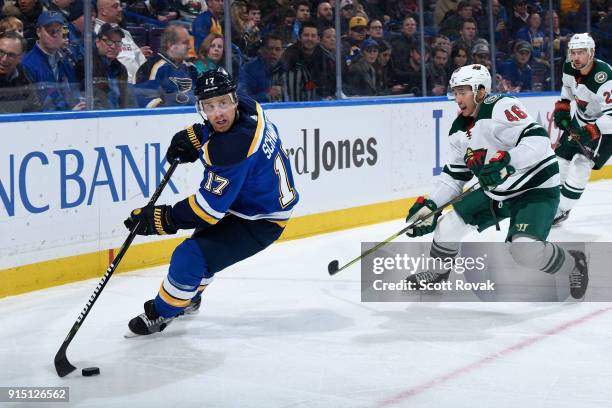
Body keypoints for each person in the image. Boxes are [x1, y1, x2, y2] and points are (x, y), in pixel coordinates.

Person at [125, 68, 299, 336]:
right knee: (202, 254)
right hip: (246, 201)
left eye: (223, 104)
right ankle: (189, 296)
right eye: (209, 106)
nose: (217, 113)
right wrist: (199, 135)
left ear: (234, 100)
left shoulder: (233, 148)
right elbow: (221, 126)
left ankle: (161, 313)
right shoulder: (250, 107)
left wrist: (162, 218)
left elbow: (207, 211)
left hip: (260, 220)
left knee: (190, 256)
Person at [404, 64, 589, 300]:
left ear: (481, 92)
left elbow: (538, 140)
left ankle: (573, 263)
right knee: (447, 226)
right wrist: (430, 205)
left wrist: (508, 162)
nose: (458, 99)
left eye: (463, 92)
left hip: (536, 188)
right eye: (456, 92)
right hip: (497, 192)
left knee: (524, 252)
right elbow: (454, 176)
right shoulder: (458, 130)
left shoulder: (501, 107)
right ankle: (438, 274)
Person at [552, 33, 612, 225]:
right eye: (573, 52)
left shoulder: (605, 77)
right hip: (581, 119)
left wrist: (593, 131)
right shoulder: (569, 66)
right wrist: (562, 106)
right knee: (560, 159)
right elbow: (567, 89)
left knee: (581, 163)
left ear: (591, 52)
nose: (576, 57)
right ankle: (550, 201)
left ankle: (562, 209)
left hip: (605, 127)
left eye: (581, 53)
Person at [21, 11, 83, 111]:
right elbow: (36, 107)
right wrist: (68, 113)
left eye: (58, 31)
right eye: (50, 31)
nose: (55, 35)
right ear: (38, 32)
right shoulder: (27, 64)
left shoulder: (65, 60)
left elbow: (74, 91)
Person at [134, 23, 197, 107]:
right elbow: (146, 100)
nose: (189, 47)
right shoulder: (153, 66)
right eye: (185, 43)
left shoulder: (191, 68)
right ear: (170, 44)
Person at [91, 23, 134, 109]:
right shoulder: (87, 65)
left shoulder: (121, 69)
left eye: (118, 42)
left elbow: (125, 101)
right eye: (109, 41)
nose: (113, 46)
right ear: (98, 42)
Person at [0, 30, 41, 112]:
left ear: (21, 57)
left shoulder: (22, 73)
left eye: (11, 55)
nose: (4, 59)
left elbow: (35, 107)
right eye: (1, 52)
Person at [238, 32, 284, 102]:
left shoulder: (286, 68)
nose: (273, 52)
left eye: (277, 49)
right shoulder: (249, 69)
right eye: (270, 48)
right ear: (262, 50)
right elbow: (243, 98)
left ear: (282, 51)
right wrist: (267, 95)